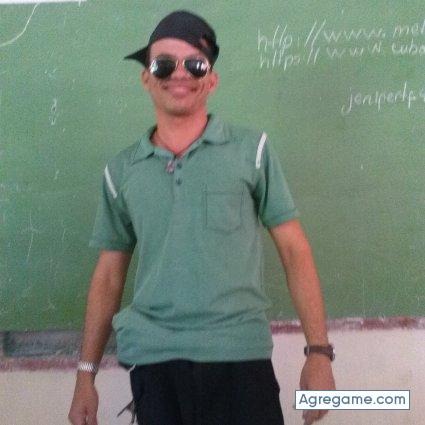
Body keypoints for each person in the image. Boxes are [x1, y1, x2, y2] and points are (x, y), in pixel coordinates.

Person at [68, 10, 335, 425]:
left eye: (195, 65)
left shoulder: (253, 151)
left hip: (239, 357)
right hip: (154, 365)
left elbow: (294, 251)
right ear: (146, 78)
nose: (180, 74)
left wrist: (318, 354)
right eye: (164, 64)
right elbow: (108, 277)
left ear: (211, 80)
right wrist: (86, 375)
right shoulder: (121, 171)